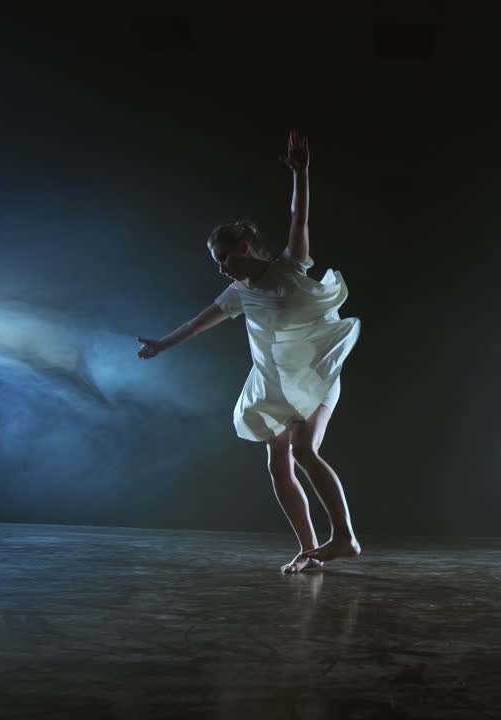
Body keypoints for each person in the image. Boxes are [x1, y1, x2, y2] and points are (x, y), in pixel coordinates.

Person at [137, 131, 361, 573]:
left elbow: (299, 217)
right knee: (278, 465)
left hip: (314, 374)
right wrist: (162, 344)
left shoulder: (290, 266)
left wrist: (302, 174)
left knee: (303, 450)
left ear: (243, 248)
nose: (220, 267)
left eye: (223, 257)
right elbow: (197, 324)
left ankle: (345, 537)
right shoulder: (238, 293)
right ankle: (309, 550)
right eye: (216, 261)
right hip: (273, 382)